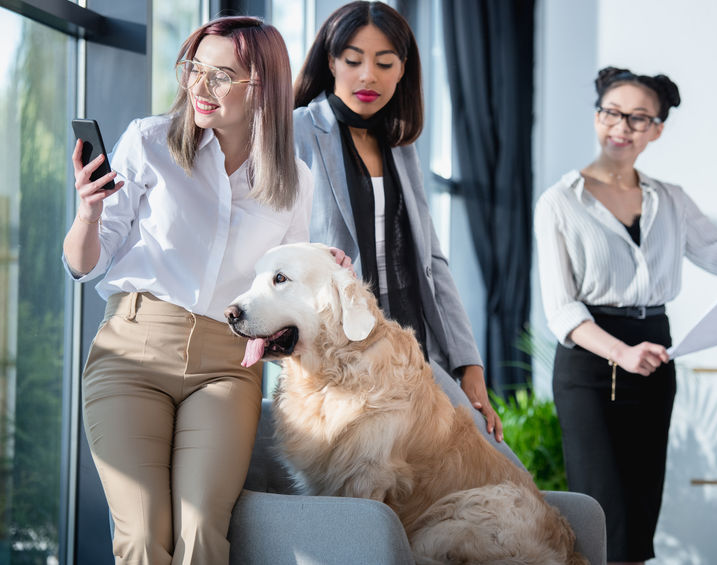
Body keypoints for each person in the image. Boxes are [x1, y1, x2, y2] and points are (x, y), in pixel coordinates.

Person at [534, 66, 717, 564]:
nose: (622, 127)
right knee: (601, 511)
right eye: (612, 113)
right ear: (596, 116)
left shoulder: (669, 200)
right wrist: (621, 353)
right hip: (592, 362)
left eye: (638, 118)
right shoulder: (560, 202)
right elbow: (561, 310)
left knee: (639, 508)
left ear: (656, 129)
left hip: (655, 350)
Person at [62, 16, 318, 564]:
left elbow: (286, 288)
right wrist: (88, 213)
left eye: (222, 76)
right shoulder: (149, 142)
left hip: (227, 366)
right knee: (141, 535)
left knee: (202, 533)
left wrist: (321, 271)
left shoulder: (294, 181)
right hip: (131, 352)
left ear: (262, 89)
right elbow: (86, 264)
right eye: (195, 69)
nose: (200, 88)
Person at [291, 1, 512, 454]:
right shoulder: (297, 132)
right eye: (353, 61)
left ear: (402, 70)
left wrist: (469, 365)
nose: (368, 75)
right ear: (330, 62)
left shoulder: (401, 146)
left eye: (384, 62)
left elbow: (432, 261)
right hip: (342, 357)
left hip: (412, 347)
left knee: (488, 458)